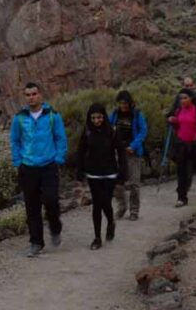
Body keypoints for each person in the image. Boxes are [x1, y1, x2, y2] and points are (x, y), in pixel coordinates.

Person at [10, 82, 68, 257]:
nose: (31, 97)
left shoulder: (52, 116)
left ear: (40, 95)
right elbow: (15, 140)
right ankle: (36, 242)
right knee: (32, 207)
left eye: (34, 94)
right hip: (28, 168)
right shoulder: (19, 118)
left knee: (51, 200)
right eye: (27, 95)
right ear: (24, 97)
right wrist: (18, 161)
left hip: (48, 165)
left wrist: (58, 158)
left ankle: (55, 227)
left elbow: (60, 138)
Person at [77, 103, 121, 249]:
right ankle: (97, 237)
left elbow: (120, 152)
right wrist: (79, 170)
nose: (96, 121)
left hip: (109, 172)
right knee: (97, 204)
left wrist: (123, 173)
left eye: (99, 117)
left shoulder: (112, 132)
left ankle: (110, 222)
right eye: (93, 118)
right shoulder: (87, 132)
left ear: (104, 117)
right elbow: (81, 151)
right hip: (93, 173)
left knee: (105, 202)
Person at [168, 92, 196, 207]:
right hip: (182, 144)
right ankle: (181, 197)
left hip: (195, 144)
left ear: (191, 99)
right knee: (181, 171)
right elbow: (179, 125)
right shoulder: (179, 111)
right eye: (181, 98)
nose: (182, 101)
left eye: (185, 98)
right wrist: (173, 121)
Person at [109, 90, 147, 221]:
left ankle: (134, 210)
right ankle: (122, 207)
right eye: (121, 103)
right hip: (117, 152)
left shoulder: (136, 114)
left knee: (134, 183)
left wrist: (134, 145)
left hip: (133, 152)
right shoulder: (114, 114)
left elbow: (143, 131)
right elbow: (108, 128)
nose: (123, 105)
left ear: (130, 103)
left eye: (125, 103)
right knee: (117, 183)